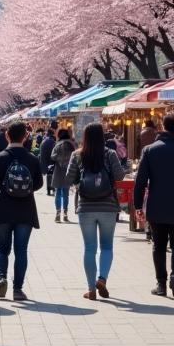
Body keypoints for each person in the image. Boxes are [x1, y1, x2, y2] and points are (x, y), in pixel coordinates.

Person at [133, 111, 174, 297]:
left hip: (157, 205)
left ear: (162, 126)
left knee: (159, 245)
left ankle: (161, 284)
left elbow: (140, 182)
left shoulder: (150, 150)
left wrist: (138, 205)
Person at [65, 122, 127, 299]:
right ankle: (102, 279)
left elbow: (69, 178)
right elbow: (120, 176)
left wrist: (79, 185)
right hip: (108, 206)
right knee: (107, 246)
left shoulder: (77, 155)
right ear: (102, 137)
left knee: (89, 248)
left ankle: (91, 288)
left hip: (85, 206)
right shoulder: (110, 154)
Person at [0, 120, 43, 301]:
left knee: (2, 248)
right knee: (21, 250)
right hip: (25, 210)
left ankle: (2, 278)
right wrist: (25, 190)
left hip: (2, 208)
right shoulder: (32, 159)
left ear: (6, 136)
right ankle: (18, 289)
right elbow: (39, 183)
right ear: (25, 136)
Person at [50, 128, 77, 222]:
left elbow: (52, 156)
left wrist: (59, 159)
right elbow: (76, 156)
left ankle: (58, 214)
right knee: (66, 193)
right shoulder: (72, 144)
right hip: (68, 171)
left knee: (58, 192)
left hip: (58, 171)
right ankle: (65, 214)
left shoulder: (57, 145)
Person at [39, 129, 56, 195]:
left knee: (49, 175)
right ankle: (52, 189)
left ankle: (48, 190)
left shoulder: (44, 140)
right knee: (51, 175)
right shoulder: (52, 141)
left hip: (45, 161)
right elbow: (53, 152)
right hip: (50, 161)